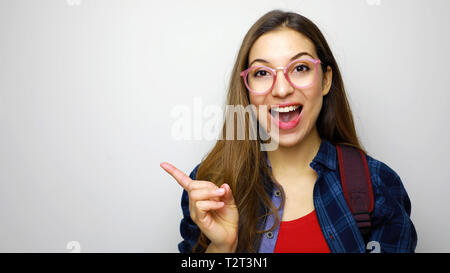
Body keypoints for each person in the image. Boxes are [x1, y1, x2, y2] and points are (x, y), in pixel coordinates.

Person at [160, 9, 417, 253]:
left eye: (301, 68)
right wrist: (223, 247)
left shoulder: (378, 184)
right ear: (247, 88)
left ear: (326, 79)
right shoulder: (211, 185)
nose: (282, 89)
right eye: (262, 72)